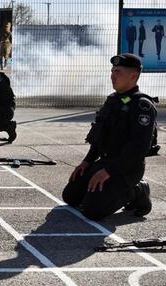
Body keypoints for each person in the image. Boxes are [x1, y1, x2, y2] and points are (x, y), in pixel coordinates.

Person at [62, 54, 156, 220]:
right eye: (112, 71)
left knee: (93, 211)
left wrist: (108, 171)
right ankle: (105, 191)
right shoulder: (113, 100)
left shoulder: (142, 106)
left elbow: (138, 148)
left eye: (118, 72)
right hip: (106, 162)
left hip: (127, 168)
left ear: (133, 76)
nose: (112, 76)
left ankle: (137, 191)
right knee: (71, 197)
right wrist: (87, 161)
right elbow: (99, 135)